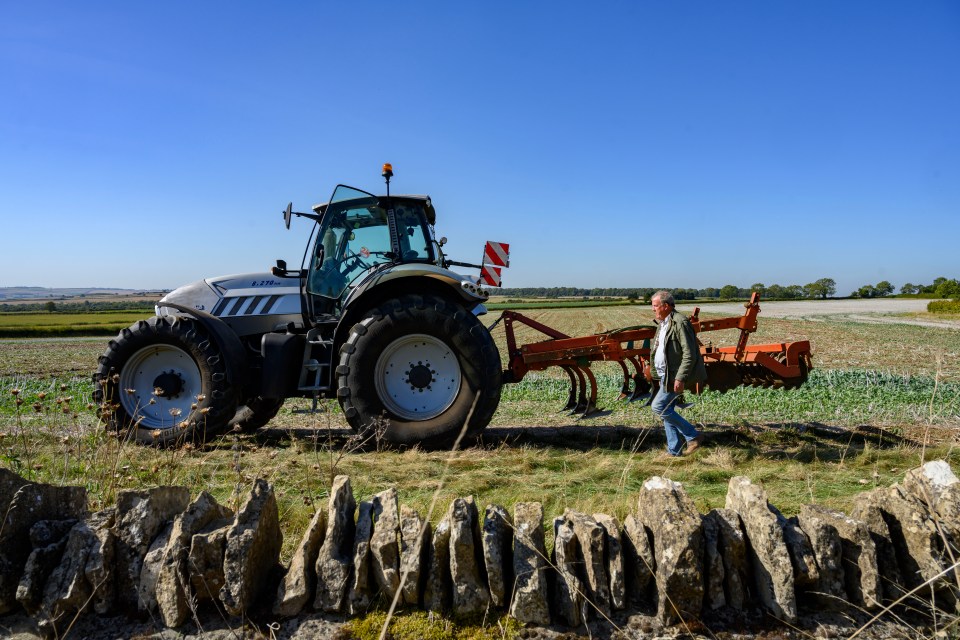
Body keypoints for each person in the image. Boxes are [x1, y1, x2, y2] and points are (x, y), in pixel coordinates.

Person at [649, 290, 707, 456]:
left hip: (674, 376)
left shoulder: (680, 322)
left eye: (655, 306)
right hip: (665, 375)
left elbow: (690, 353)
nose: (653, 309)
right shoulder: (663, 323)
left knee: (659, 407)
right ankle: (674, 451)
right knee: (668, 411)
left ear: (665, 306)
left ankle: (693, 435)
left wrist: (680, 377)